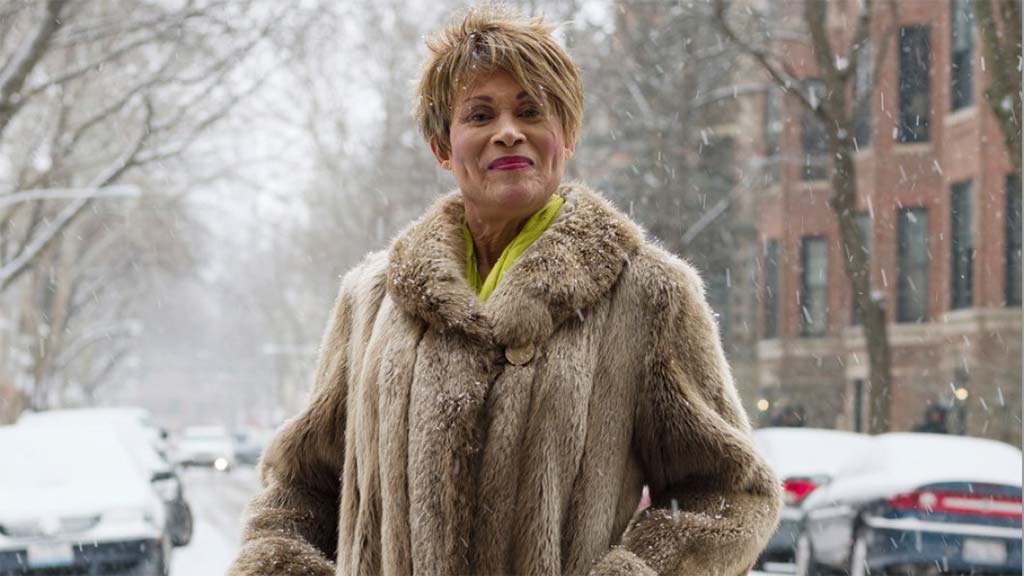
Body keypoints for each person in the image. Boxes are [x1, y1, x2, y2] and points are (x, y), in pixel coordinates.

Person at [228, 6, 780, 576]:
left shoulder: (649, 295)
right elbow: (302, 486)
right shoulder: (373, 301)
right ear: (444, 146)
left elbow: (730, 494)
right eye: (480, 114)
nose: (508, 131)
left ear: (566, 134)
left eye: (531, 110)